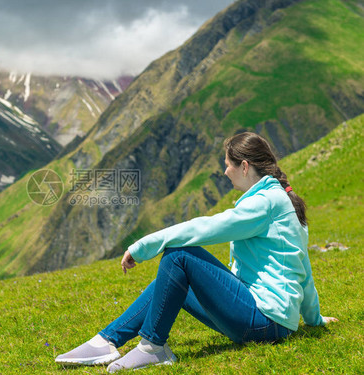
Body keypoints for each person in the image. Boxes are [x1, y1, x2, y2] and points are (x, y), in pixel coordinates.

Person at [55, 132, 338, 372]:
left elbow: (208, 227)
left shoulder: (266, 203)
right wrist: (315, 320)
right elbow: (303, 272)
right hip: (269, 321)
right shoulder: (282, 201)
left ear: (244, 166)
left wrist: (144, 246)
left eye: (227, 165)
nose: (224, 171)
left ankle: (153, 346)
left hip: (263, 321)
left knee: (179, 255)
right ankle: (107, 341)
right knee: (170, 280)